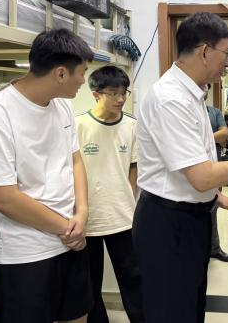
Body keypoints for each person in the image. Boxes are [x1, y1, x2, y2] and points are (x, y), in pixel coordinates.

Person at [133, 12, 228, 323]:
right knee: (171, 311)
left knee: (189, 305)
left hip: (188, 217)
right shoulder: (171, 99)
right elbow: (200, 177)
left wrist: (215, 196)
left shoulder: (191, 94)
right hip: (168, 223)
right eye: (227, 53)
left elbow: (190, 166)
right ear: (204, 51)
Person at [0, 28, 95, 323]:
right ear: (61, 73)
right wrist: (67, 229)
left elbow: (75, 160)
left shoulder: (62, 105)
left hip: (69, 240)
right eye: (82, 73)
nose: (83, 80)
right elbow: (4, 199)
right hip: (22, 253)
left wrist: (82, 212)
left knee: (77, 316)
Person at [75, 65, 144, 323]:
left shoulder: (132, 125)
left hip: (123, 216)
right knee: (90, 282)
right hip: (88, 217)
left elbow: (133, 168)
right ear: (96, 94)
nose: (120, 99)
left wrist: (130, 200)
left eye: (124, 92)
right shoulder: (78, 125)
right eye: (113, 93)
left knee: (134, 278)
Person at [204, 84, 228, 263]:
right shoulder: (184, 111)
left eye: (206, 87)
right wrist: (212, 138)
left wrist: (201, 138)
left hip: (214, 168)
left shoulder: (214, 112)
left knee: (213, 208)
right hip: (191, 171)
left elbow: (224, 133)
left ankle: (214, 248)